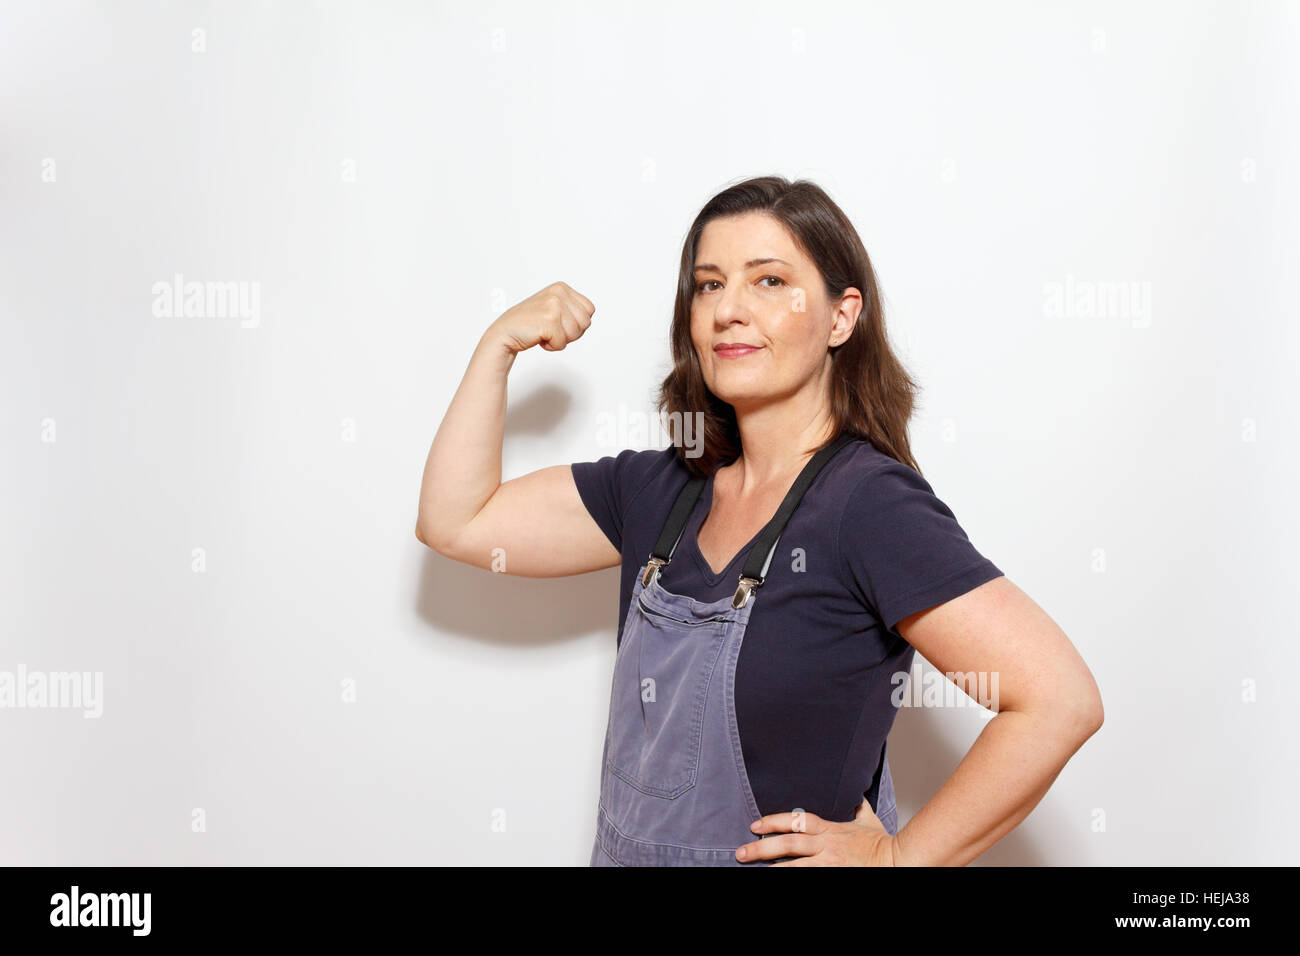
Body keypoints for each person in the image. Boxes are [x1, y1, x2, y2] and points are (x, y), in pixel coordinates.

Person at [415, 175, 1104, 866]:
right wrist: (497, 347)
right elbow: (459, 521)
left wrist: (896, 860)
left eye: (769, 281)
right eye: (709, 285)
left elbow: (1058, 701)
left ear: (841, 316)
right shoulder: (659, 489)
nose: (728, 310)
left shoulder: (868, 506)